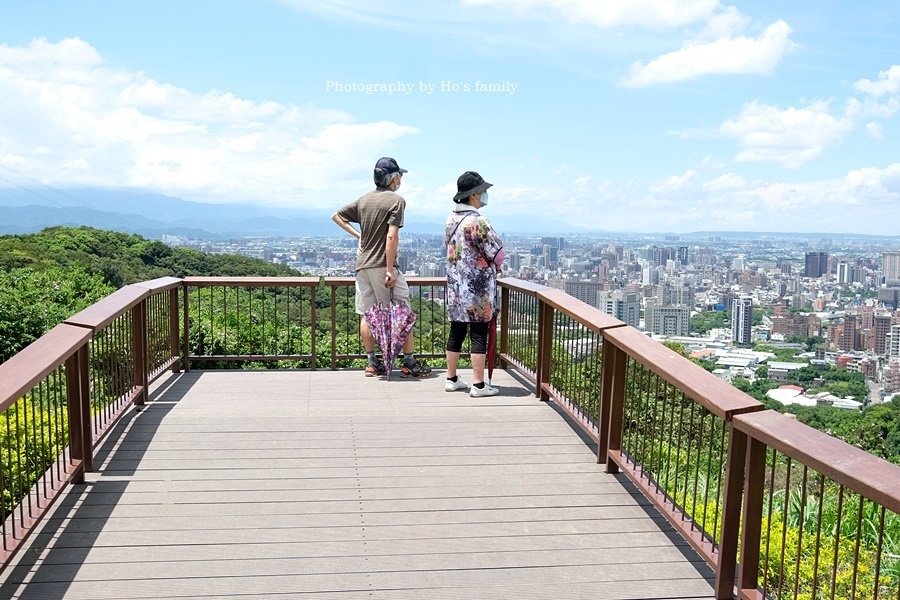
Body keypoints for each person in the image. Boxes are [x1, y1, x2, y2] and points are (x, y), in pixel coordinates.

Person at [332, 157, 432, 378]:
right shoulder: (396, 201)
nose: (401, 180)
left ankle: (372, 362)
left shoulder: (363, 200)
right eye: (400, 176)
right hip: (382, 265)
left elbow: (336, 216)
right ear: (393, 177)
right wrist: (389, 269)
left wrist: (359, 236)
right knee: (403, 312)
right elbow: (392, 235)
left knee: (368, 314)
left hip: (362, 265)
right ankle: (408, 362)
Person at [444, 171, 505, 397]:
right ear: (474, 196)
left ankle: (451, 378)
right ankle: (478, 384)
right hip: (477, 288)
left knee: (457, 330)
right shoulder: (478, 221)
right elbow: (498, 253)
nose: (484, 195)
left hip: (455, 286)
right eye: (482, 192)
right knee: (478, 333)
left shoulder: (451, 218)